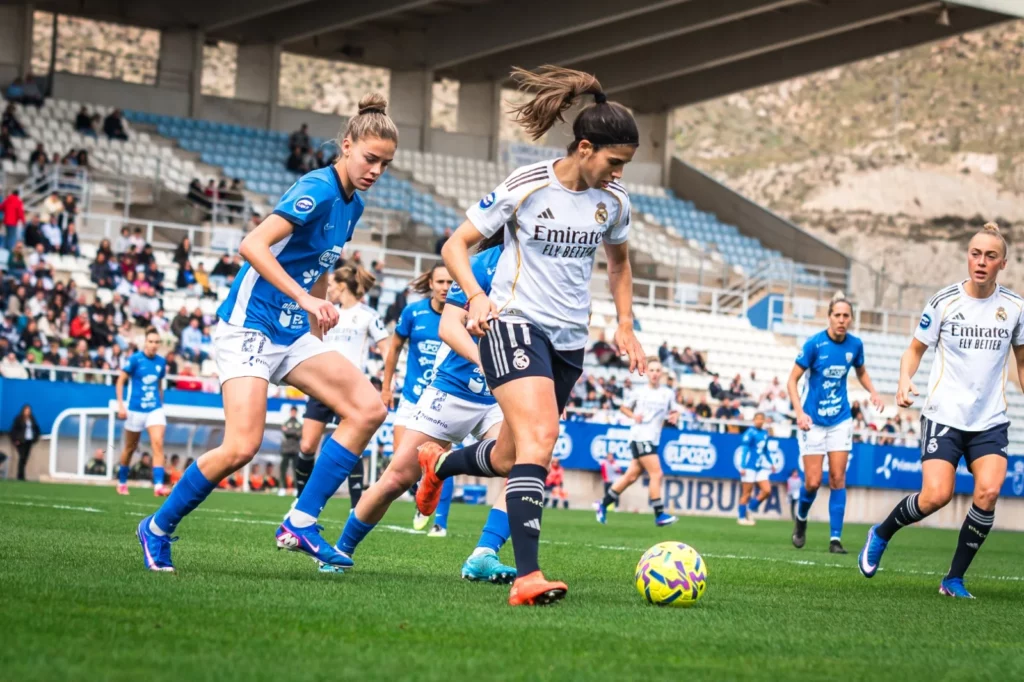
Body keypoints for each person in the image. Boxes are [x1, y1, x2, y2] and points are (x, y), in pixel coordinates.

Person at [413, 66, 645, 606]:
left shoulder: (615, 202)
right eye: (613, 162)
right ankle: (527, 576)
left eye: (624, 166)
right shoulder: (527, 184)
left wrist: (626, 322)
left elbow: (619, 266)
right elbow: (455, 246)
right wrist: (474, 295)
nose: (617, 174)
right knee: (541, 442)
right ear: (584, 147)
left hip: (568, 342)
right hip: (514, 324)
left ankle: (440, 463)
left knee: (510, 454)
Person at [135, 94, 396, 573]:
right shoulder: (316, 187)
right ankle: (156, 528)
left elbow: (317, 262)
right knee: (241, 447)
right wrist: (306, 299)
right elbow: (252, 244)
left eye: (386, 164)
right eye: (370, 158)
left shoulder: (352, 206)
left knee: (369, 409)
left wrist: (317, 306)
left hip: (292, 331)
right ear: (346, 146)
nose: (377, 170)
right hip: (249, 325)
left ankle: (300, 520)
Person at [330, 240, 517, 584]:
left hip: (500, 396)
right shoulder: (479, 265)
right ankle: (340, 550)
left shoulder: (547, 267)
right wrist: (489, 365)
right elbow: (449, 328)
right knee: (397, 477)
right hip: (453, 390)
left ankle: (483, 553)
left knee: (523, 466)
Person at [859, 223, 1023, 599]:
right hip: (943, 415)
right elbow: (914, 350)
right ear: (968, 256)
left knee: (989, 490)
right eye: (975, 254)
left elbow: (1021, 361)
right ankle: (881, 532)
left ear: (1003, 263)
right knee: (936, 496)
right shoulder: (944, 301)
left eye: (990, 256)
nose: (981, 262)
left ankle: (953, 579)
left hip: (990, 420)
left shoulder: (1014, 308)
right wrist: (904, 381)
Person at [788, 291, 884, 554]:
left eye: (846, 316)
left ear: (851, 319)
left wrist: (873, 392)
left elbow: (861, 371)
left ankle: (835, 539)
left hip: (840, 419)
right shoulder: (814, 345)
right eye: (837, 315)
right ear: (829, 317)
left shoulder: (855, 345)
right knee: (812, 482)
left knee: (838, 478)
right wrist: (799, 412)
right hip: (813, 421)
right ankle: (802, 519)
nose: (841, 320)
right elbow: (792, 380)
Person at [290, 264, 390, 507]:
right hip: (321, 385)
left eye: (332, 285)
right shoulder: (325, 311)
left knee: (351, 443)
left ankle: (357, 505)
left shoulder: (368, 315)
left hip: (349, 387)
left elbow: (387, 350)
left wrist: (386, 384)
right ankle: (299, 500)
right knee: (306, 445)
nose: (329, 289)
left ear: (343, 286)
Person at [379, 264, 450, 469]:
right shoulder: (413, 312)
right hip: (412, 397)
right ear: (430, 284)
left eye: (450, 282)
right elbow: (394, 349)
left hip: (443, 400)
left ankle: (436, 502)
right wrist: (386, 388)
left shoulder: (462, 316)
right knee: (400, 463)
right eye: (440, 282)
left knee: (439, 464)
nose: (445, 287)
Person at [596, 359, 678, 526]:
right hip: (640, 436)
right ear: (647, 372)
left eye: (657, 370)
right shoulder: (639, 392)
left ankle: (602, 504)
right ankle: (659, 514)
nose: (655, 373)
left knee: (631, 476)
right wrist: (633, 416)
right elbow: (623, 407)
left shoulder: (667, 393)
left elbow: (674, 410)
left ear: (661, 374)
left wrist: (675, 416)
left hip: (653, 439)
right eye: (652, 370)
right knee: (657, 474)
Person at [115, 328, 169, 496]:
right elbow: (120, 381)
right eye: (151, 341)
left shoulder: (161, 362)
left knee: (158, 443)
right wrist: (121, 406)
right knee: (130, 447)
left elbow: (159, 384)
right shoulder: (135, 359)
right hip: (135, 409)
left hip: (154, 409)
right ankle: (122, 481)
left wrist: (160, 403)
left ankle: (158, 486)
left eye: (156, 342)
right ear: (145, 342)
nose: (153, 345)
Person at [737, 412, 776, 525]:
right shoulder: (750, 432)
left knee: (767, 490)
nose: (759, 421)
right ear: (753, 420)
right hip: (749, 466)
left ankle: (750, 509)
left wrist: (771, 463)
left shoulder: (764, 433)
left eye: (761, 419)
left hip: (760, 466)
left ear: (764, 421)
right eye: (757, 419)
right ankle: (741, 518)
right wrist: (742, 466)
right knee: (747, 493)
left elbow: (765, 450)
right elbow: (744, 450)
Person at [10, 404, 40, 480]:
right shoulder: (19, 419)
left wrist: (35, 438)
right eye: (26, 411)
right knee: (22, 457)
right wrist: (15, 440)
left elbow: (36, 429)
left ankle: (22, 475)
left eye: (29, 411)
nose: (27, 412)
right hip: (21, 441)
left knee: (25, 458)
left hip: (29, 441)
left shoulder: (32, 419)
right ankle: (20, 476)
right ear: (23, 411)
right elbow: (14, 430)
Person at [279, 405, 302, 493]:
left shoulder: (299, 423)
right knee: (283, 469)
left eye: (294, 411)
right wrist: (294, 432)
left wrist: (289, 431)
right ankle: (282, 488)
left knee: (296, 470)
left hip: (295, 450)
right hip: (286, 449)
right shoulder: (286, 422)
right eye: (292, 411)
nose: (293, 413)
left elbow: (299, 433)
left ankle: (296, 488)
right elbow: (285, 431)